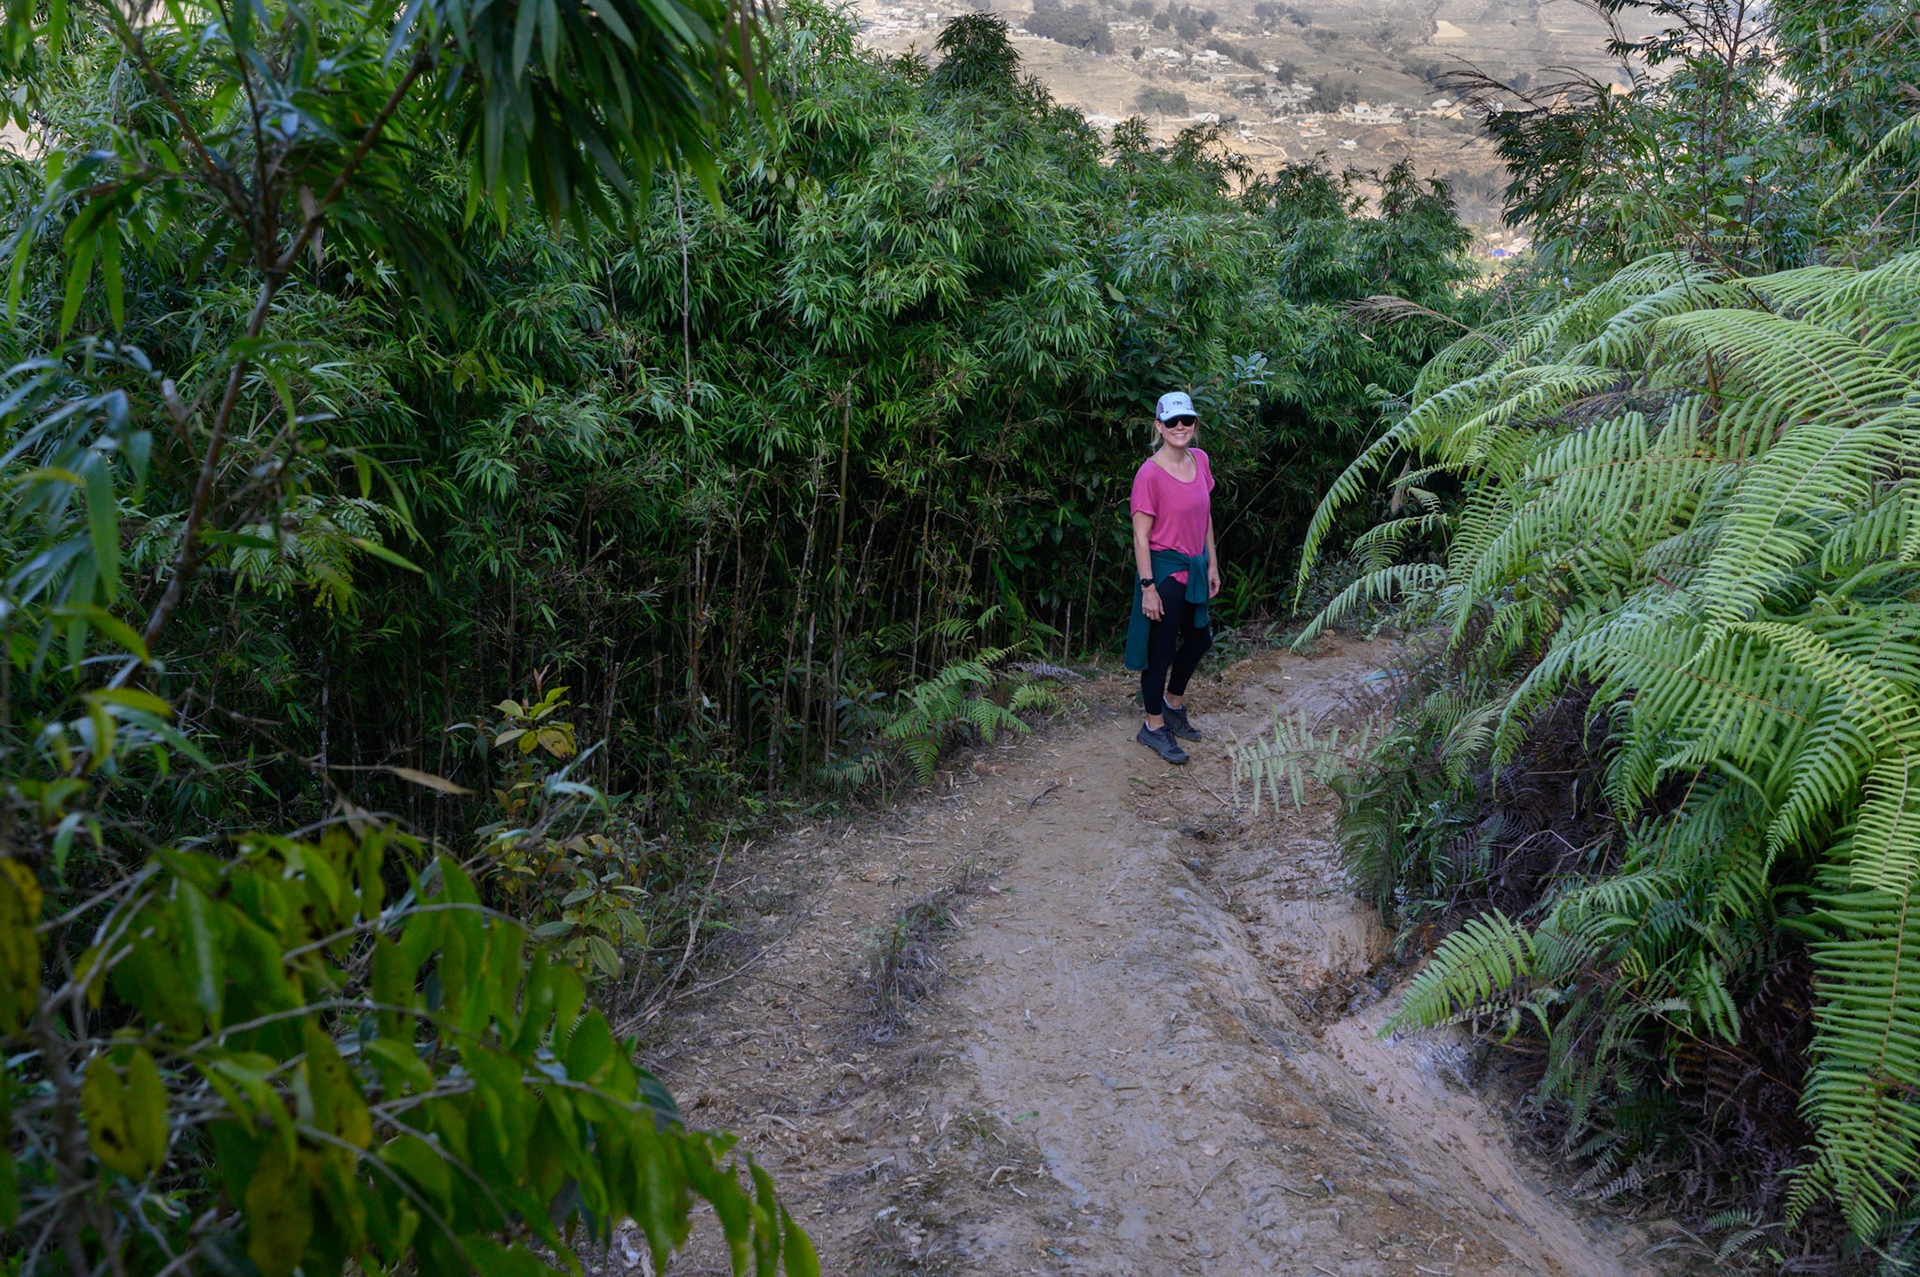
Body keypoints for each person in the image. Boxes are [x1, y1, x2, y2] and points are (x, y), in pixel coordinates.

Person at [1125, 390, 1219, 765]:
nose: (1180, 427)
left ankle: (1173, 704)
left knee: (1199, 640)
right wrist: (1148, 588)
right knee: (1159, 653)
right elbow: (1140, 537)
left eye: (1187, 421)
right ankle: (1152, 726)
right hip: (1164, 573)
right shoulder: (1149, 474)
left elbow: (1206, 515)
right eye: (1172, 422)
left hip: (1195, 567)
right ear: (1159, 427)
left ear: (1194, 426)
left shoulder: (1201, 460)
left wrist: (1212, 563)